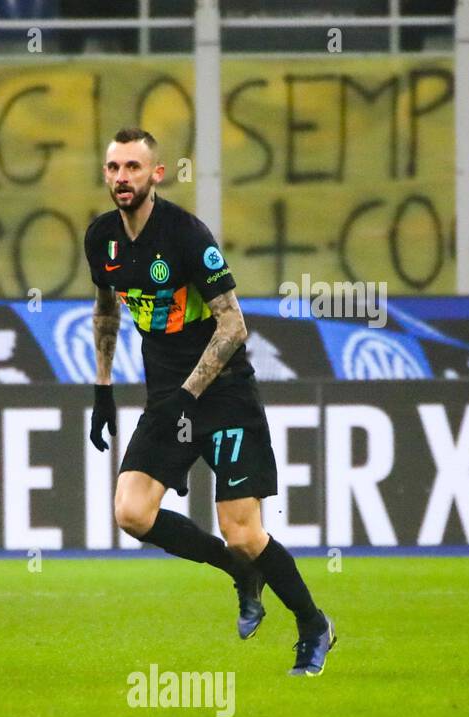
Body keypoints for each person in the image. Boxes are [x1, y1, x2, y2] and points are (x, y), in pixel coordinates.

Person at [84, 127, 336, 677]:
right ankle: (240, 575)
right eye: (113, 167)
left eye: (132, 167)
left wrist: (188, 395)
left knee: (243, 532)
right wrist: (102, 388)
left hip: (222, 395)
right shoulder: (101, 239)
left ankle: (313, 623)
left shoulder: (187, 235)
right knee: (130, 512)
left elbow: (233, 325)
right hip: (166, 398)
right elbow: (106, 310)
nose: (121, 177)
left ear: (156, 174)